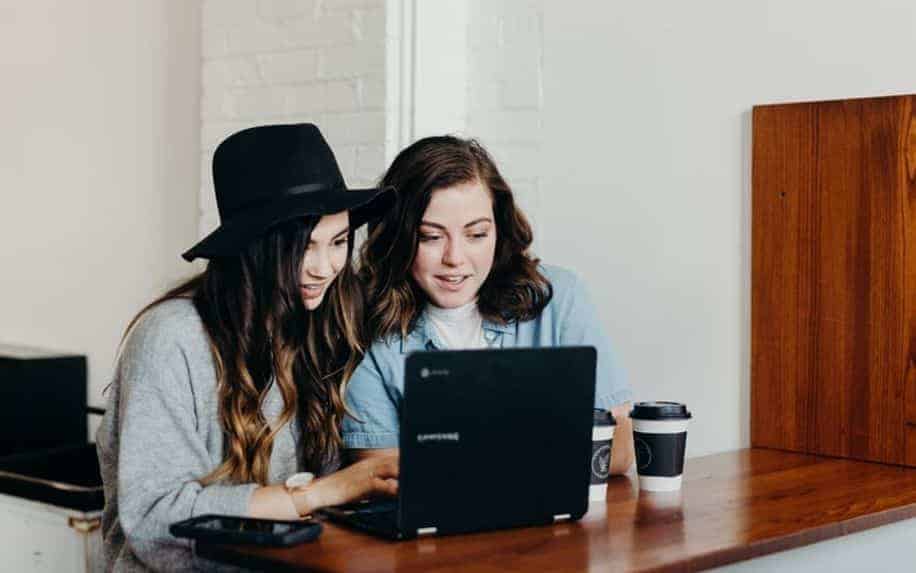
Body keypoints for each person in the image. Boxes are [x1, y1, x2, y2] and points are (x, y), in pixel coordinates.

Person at [96, 124, 398, 571]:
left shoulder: (321, 326)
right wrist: (323, 491)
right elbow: (156, 518)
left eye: (338, 242)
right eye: (303, 246)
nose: (324, 268)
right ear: (254, 246)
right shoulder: (171, 337)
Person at [342, 135, 635, 474]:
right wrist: (542, 446)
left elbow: (618, 449)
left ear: (499, 230)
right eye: (431, 237)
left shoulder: (559, 297)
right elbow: (378, 473)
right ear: (399, 238)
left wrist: (457, 460)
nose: (455, 258)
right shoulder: (364, 324)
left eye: (476, 234)